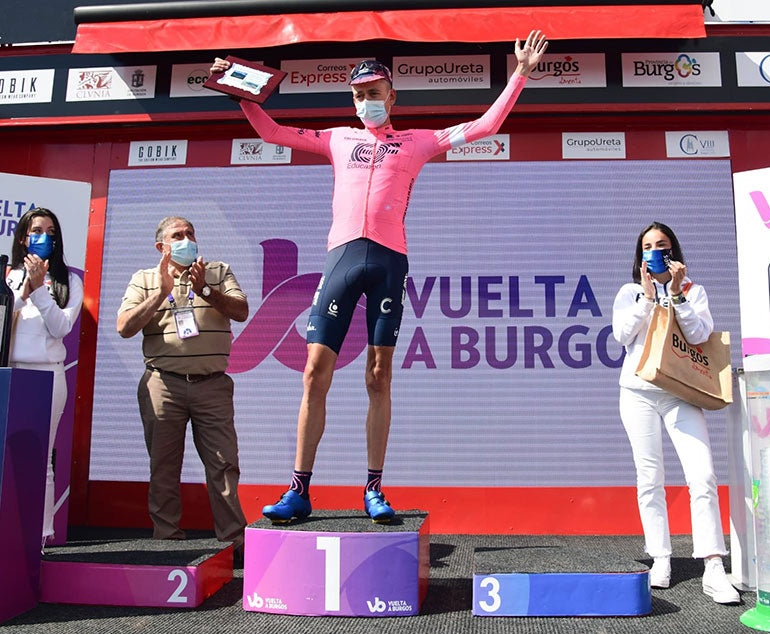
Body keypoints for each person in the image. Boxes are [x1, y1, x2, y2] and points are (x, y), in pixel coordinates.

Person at [210, 30, 549, 524]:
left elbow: (484, 126)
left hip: (389, 262)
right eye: (359, 94)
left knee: (378, 375)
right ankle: (299, 489)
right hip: (343, 259)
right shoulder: (336, 139)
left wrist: (520, 74)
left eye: (374, 93)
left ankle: (373, 488)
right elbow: (271, 132)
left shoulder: (416, 143)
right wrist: (240, 93)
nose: (367, 101)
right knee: (313, 374)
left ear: (391, 96)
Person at [611, 221, 740, 604]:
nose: (655, 250)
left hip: (680, 392)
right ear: (640, 254)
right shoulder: (630, 292)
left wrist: (679, 294)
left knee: (702, 474)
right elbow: (622, 336)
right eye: (648, 245)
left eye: (662, 244)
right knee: (649, 476)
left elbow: (700, 336)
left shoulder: (693, 290)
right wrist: (649, 296)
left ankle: (714, 566)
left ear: (673, 250)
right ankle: (661, 558)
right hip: (637, 394)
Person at [116, 216, 249, 560]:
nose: (187, 239)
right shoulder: (144, 279)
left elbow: (241, 310)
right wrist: (160, 293)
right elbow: (124, 327)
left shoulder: (217, 270)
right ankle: (167, 542)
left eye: (190, 233)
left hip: (212, 385)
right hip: (163, 384)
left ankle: (235, 545)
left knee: (224, 465)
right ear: (161, 246)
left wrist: (206, 289)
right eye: (178, 235)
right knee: (164, 466)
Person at [0, 207, 83, 546]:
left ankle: (39, 537)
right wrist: (22, 292)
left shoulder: (69, 280)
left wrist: (40, 291)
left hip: (46, 376)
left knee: (39, 459)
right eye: (37, 230)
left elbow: (61, 326)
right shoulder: (1, 276)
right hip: (4, 374)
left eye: (51, 231)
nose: (44, 237)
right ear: (23, 237)